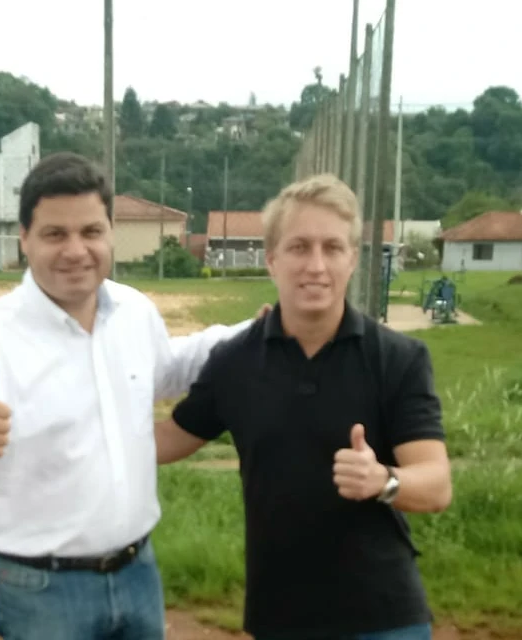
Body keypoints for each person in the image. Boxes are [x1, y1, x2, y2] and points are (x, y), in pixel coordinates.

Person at [0, 151, 257, 639]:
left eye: (90, 231)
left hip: (138, 573)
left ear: (110, 233)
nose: (76, 250)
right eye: (55, 234)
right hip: (41, 592)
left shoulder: (133, 312)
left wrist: (257, 333)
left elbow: (170, 367)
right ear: (24, 238)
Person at [156, 173, 453, 640]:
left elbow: (436, 486)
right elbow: (166, 440)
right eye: (299, 247)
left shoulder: (398, 359)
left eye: (332, 248)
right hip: (281, 616)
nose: (316, 265)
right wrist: (65, 425)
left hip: (384, 616)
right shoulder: (234, 362)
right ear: (272, 260)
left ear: (352, 259)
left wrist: (383, 480)